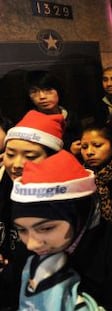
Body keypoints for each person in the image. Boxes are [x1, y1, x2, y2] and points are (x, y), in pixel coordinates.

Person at [10, 150, 112, 310]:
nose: (31, 244)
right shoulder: (26, 253)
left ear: (79, 216)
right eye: (22, 230)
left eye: (46, 228)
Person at [0, 110, 65, 310]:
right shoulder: (5, 185)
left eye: (30, 156)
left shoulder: (65, 202)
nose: (17, 164)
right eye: (10, 155)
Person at [25, 70, 82, 154]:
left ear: (58, 91)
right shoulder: (29, 123)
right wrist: (69, 151)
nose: (42, 96)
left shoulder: (72, 117)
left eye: (48, 90)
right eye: (34, 92)